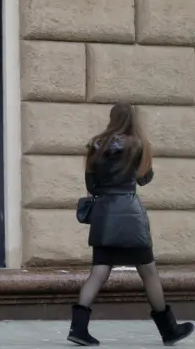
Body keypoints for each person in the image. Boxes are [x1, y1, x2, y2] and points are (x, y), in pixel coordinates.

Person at [67, 102, 194, 347]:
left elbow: (92, 187)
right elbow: (144, 179)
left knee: (99, 271)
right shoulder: (139, 146)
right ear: (132, 120)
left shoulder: (96, 146)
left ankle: (78, 328)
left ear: (112, 118)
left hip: (104, 216)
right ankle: (169, 330)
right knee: (148, 272)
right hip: (130, 217)